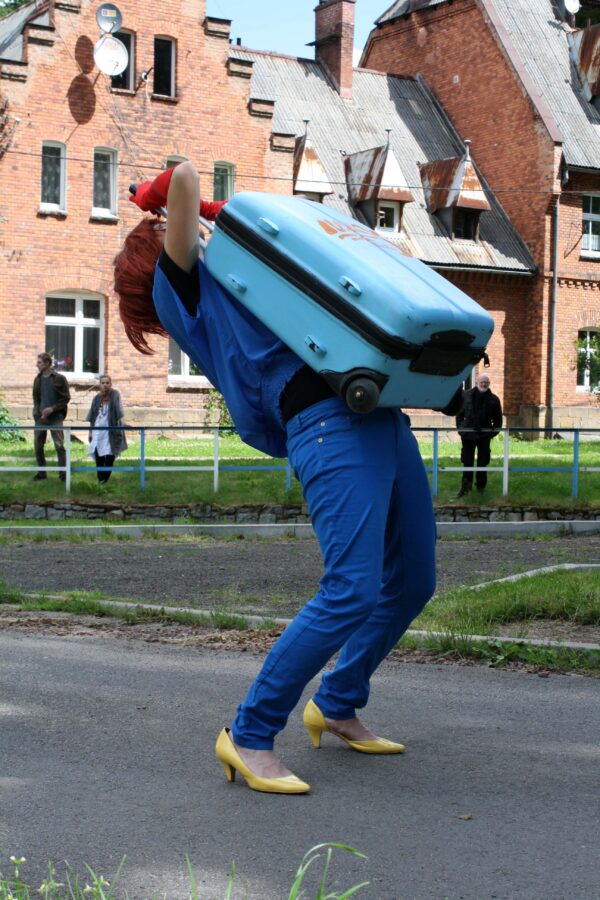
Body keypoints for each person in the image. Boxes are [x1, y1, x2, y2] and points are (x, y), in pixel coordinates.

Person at [114, 161, 436, 795]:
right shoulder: (181, 291)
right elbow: (181, 176)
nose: (202, 238)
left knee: (413, 580)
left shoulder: (248, 286)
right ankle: (249, 733)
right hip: (323, 422)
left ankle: (337, 702)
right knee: (351, 588)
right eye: (185, 233)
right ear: (160, 251)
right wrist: (171, 203)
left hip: (376, 411)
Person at [455, 372, 503, 498]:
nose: (484, 384)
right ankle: (465, 490)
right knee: (467, 462)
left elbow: (498, 421)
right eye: (482, 382)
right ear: (477, 382)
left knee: (482, 463)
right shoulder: (466, 395)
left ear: (489, 384)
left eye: (486, 382)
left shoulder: (494, 399)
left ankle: (481, 489)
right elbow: (459, 414)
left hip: (484, 436)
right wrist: (461, 430)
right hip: (468, 435)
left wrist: (490, 434)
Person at [32, 351, 70, 481]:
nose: (37, 365)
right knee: (38, 446)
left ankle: (63, 475)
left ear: (47, 363)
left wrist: (52, 408)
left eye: (39, 362)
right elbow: (36, 399)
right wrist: (37, 413)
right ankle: (42, 473)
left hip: (56, 418)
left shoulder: (59, 378)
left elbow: (66, 398)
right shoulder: (37, 379)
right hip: (40, 419)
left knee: (59, 446)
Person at [86, 375, 127, 483]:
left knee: (109, 455)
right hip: (98, 430)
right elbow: (92, 416)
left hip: (111, 431)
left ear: (111, 384)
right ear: (100, 384)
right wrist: (90, 431)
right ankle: (100, 480)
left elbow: (119, 411)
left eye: (107, 383)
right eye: (103, 383)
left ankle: (105, 480)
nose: (105, 385)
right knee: (98, 455)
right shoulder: (96, 398)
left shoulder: (115, 395)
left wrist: (122, 425)